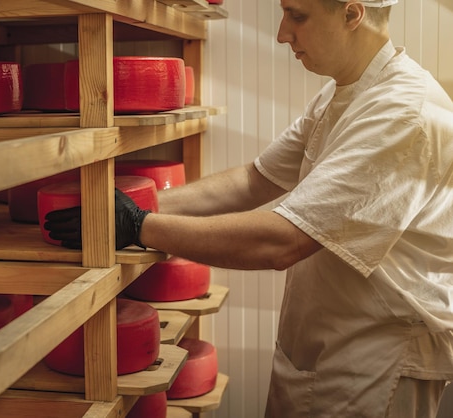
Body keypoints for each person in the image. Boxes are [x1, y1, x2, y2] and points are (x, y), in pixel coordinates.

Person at [44, 0, 453, 416]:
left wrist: (139, 225)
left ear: (352, 14)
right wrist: (136, 204)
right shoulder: (343, 91)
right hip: (328, 342)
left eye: (297, 16)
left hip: (375, 358)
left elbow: (282, 242)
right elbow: (254, 180)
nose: (281, 33)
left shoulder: (403, 113)